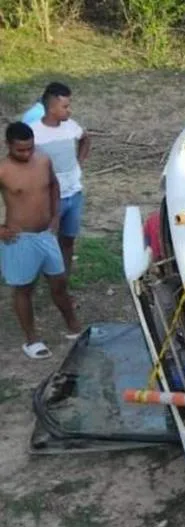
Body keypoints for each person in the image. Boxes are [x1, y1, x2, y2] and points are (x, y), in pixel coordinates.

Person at [0, 122, 82, 359]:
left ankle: (74, 327)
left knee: (59, 283)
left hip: (46, 234)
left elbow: (54, 186)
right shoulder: (3, 170)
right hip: (19, 238)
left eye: (29, 148)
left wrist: (56, 215)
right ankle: (32, 340)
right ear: (8, 146)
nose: (26, 154)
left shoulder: (43, 160)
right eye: (20, 150)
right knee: (24, 288)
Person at [30, 82, 91, 278]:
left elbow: (85, 139)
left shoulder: (71, 127)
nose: (69, 111)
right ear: (51, 107)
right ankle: (45, 274)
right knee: (46, 239)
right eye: (65, 106)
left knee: (68, 239)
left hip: (74, 194)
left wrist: (79, 162)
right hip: (49, 198)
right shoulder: (34, 133)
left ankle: (63, 278)